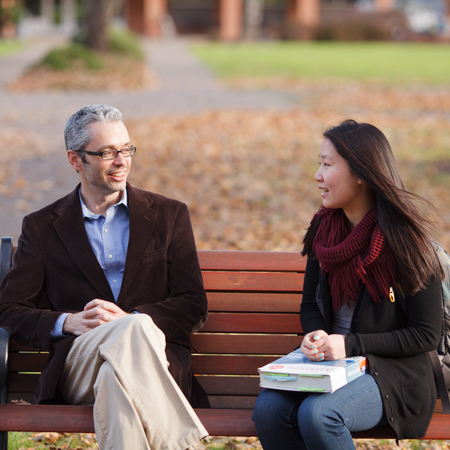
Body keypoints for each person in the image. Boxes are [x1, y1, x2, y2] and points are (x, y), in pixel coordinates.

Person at [0, 104, 209, 450]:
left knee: (121, 367)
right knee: (133, 334)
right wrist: (68, 322)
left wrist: (131, 320)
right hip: (80, 363)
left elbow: (193, 304)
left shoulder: (169, 215)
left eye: (126, 149)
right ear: (75, 159)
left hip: (156, 362)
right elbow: (8, 308)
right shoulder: (42, 227)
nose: (122, 161)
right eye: (108, 152)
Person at [252, 119, 443, 450]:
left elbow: (426, 334)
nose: (317, 175)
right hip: (331, 367)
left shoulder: (407, 242)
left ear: (361, 173)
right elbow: (310, 305)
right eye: (319, 163)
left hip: (393, 374)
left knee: (319, 414)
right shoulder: (323, 231)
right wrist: (316, 334)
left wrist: (350, 345)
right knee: (268, 410)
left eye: (327, 165)